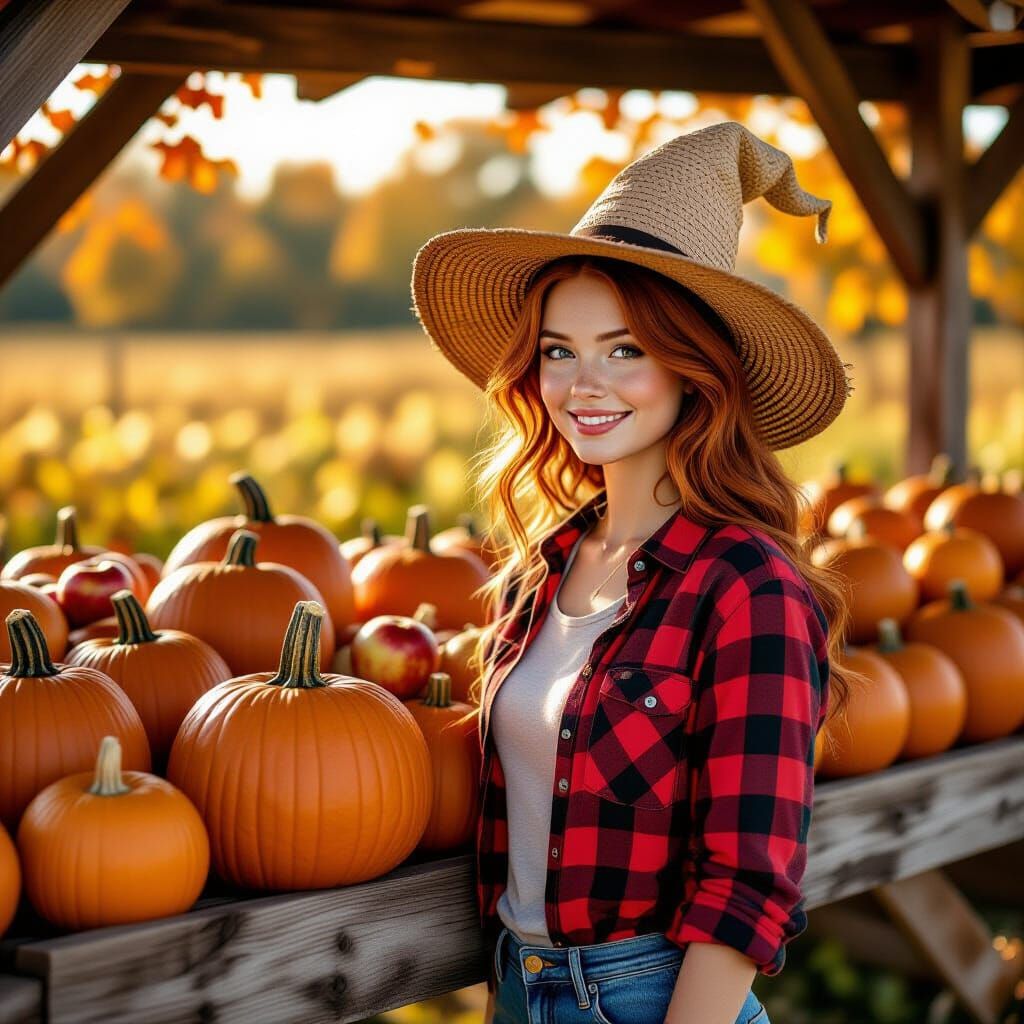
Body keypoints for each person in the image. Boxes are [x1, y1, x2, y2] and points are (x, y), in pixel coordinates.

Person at [411, 121, 854, 1024]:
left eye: (625, 349)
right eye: (558, 350)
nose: (585, 384)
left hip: (652, 1000)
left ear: (695, 370)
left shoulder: (747, 586)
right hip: (517, 987)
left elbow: (748, 884)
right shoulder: (543, 569)